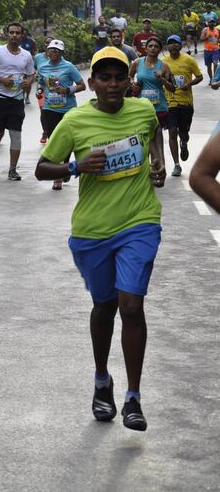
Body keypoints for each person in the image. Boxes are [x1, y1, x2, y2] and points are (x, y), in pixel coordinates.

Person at [35, 46, 167, 432]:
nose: (112, 84)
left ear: (130, 81)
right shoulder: (74, 122)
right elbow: (42, 168)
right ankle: (101, 380)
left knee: (131, 305)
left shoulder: (142, 110)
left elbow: (153, 134)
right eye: (104, 78)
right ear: (91, 83)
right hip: (92, 231)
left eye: (119, 77)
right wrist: (75, 166)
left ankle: (134, 398)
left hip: (140, 222)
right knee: (105, 307)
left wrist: (156, 160)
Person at [0, 22, 36, 181]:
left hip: (16, 99)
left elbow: (31, 73)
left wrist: (29, 81)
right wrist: (3, 80)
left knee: (16, 135)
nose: (14, 35)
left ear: (22, 35)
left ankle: (12, 170)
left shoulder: (26, 55)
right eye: (11, 32)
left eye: (17, 33)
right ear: (7, 34)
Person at [35, 39, 86, 189]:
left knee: (67, 141)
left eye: (56, 51)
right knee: (53, 140)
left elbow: (82, 85)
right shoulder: (43, 67)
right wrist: (39, 90)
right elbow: (41, 82)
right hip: (50, 108)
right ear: (47, 52)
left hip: (67, 109)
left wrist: (68, 90)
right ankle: (57, 177)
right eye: (51, 50)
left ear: (62, 53)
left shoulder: (69, 66)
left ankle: (65, 165)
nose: (53, 53)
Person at [130, 36, 174, 170]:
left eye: (156, 46)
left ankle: (159, 165)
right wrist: (133, 84)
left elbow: (172, 88)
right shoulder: (138, 62)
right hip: (141, 107)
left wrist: (163, 79)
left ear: (160, 50)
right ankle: (146, 166)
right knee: (144, 136)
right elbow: (130, 76)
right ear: (146, 48)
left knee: (157, 135)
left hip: (159, 106)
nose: (153, 48)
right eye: (150, 46)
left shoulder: (164, 66)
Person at [162, 35, 203, 176]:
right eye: (170, 43)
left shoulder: (189, 60)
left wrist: (189, 84)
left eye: (176, 43)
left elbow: (199, 77)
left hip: (186, 103)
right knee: (172, 132)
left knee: (183, 133)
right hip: (170, 102)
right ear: (166, 47)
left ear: (181, 46)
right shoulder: (163, 62)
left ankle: (184, 143)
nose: (173, 46)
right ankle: (176, 165)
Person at [35, 35, 53, 144]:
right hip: (41, 87)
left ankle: (53, 132)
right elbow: (31, 69)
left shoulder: (59, 58)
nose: (48, 45)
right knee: (43, 111)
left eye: (51, 43)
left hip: (54, 89)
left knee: (53, 111)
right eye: (47, 43)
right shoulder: (38, 57)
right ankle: (45, 131)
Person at [20, 28, 37, 104]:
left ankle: (27, 97)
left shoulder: (31, 41)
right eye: (23, 33)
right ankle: (22, 96)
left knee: (29, 82)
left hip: (29, 64)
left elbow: (34, 51)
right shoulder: (18, 41)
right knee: (22, 81)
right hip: (20, 64)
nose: (24, 35)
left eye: (25, 34)